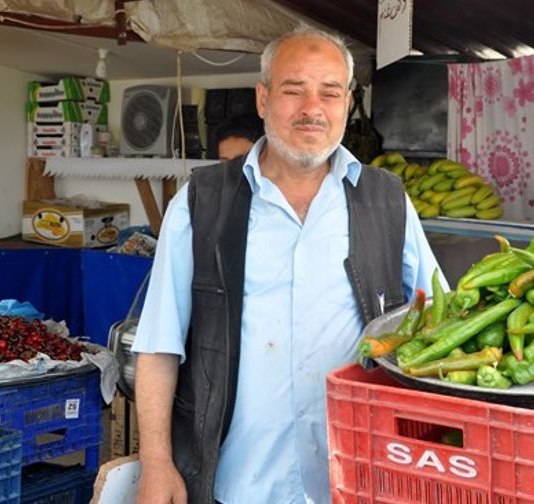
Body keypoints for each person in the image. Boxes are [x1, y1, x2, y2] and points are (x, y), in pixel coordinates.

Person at [131, 26, 446, 504]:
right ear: (263, 99)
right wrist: (156, 462)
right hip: (236, 482)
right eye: (293, 90)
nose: (311, 109)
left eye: (329, 92)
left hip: (357, 478)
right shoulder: (201, 202)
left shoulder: (387, 200)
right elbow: (158, 345)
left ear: (347, 102)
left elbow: (441, 319)